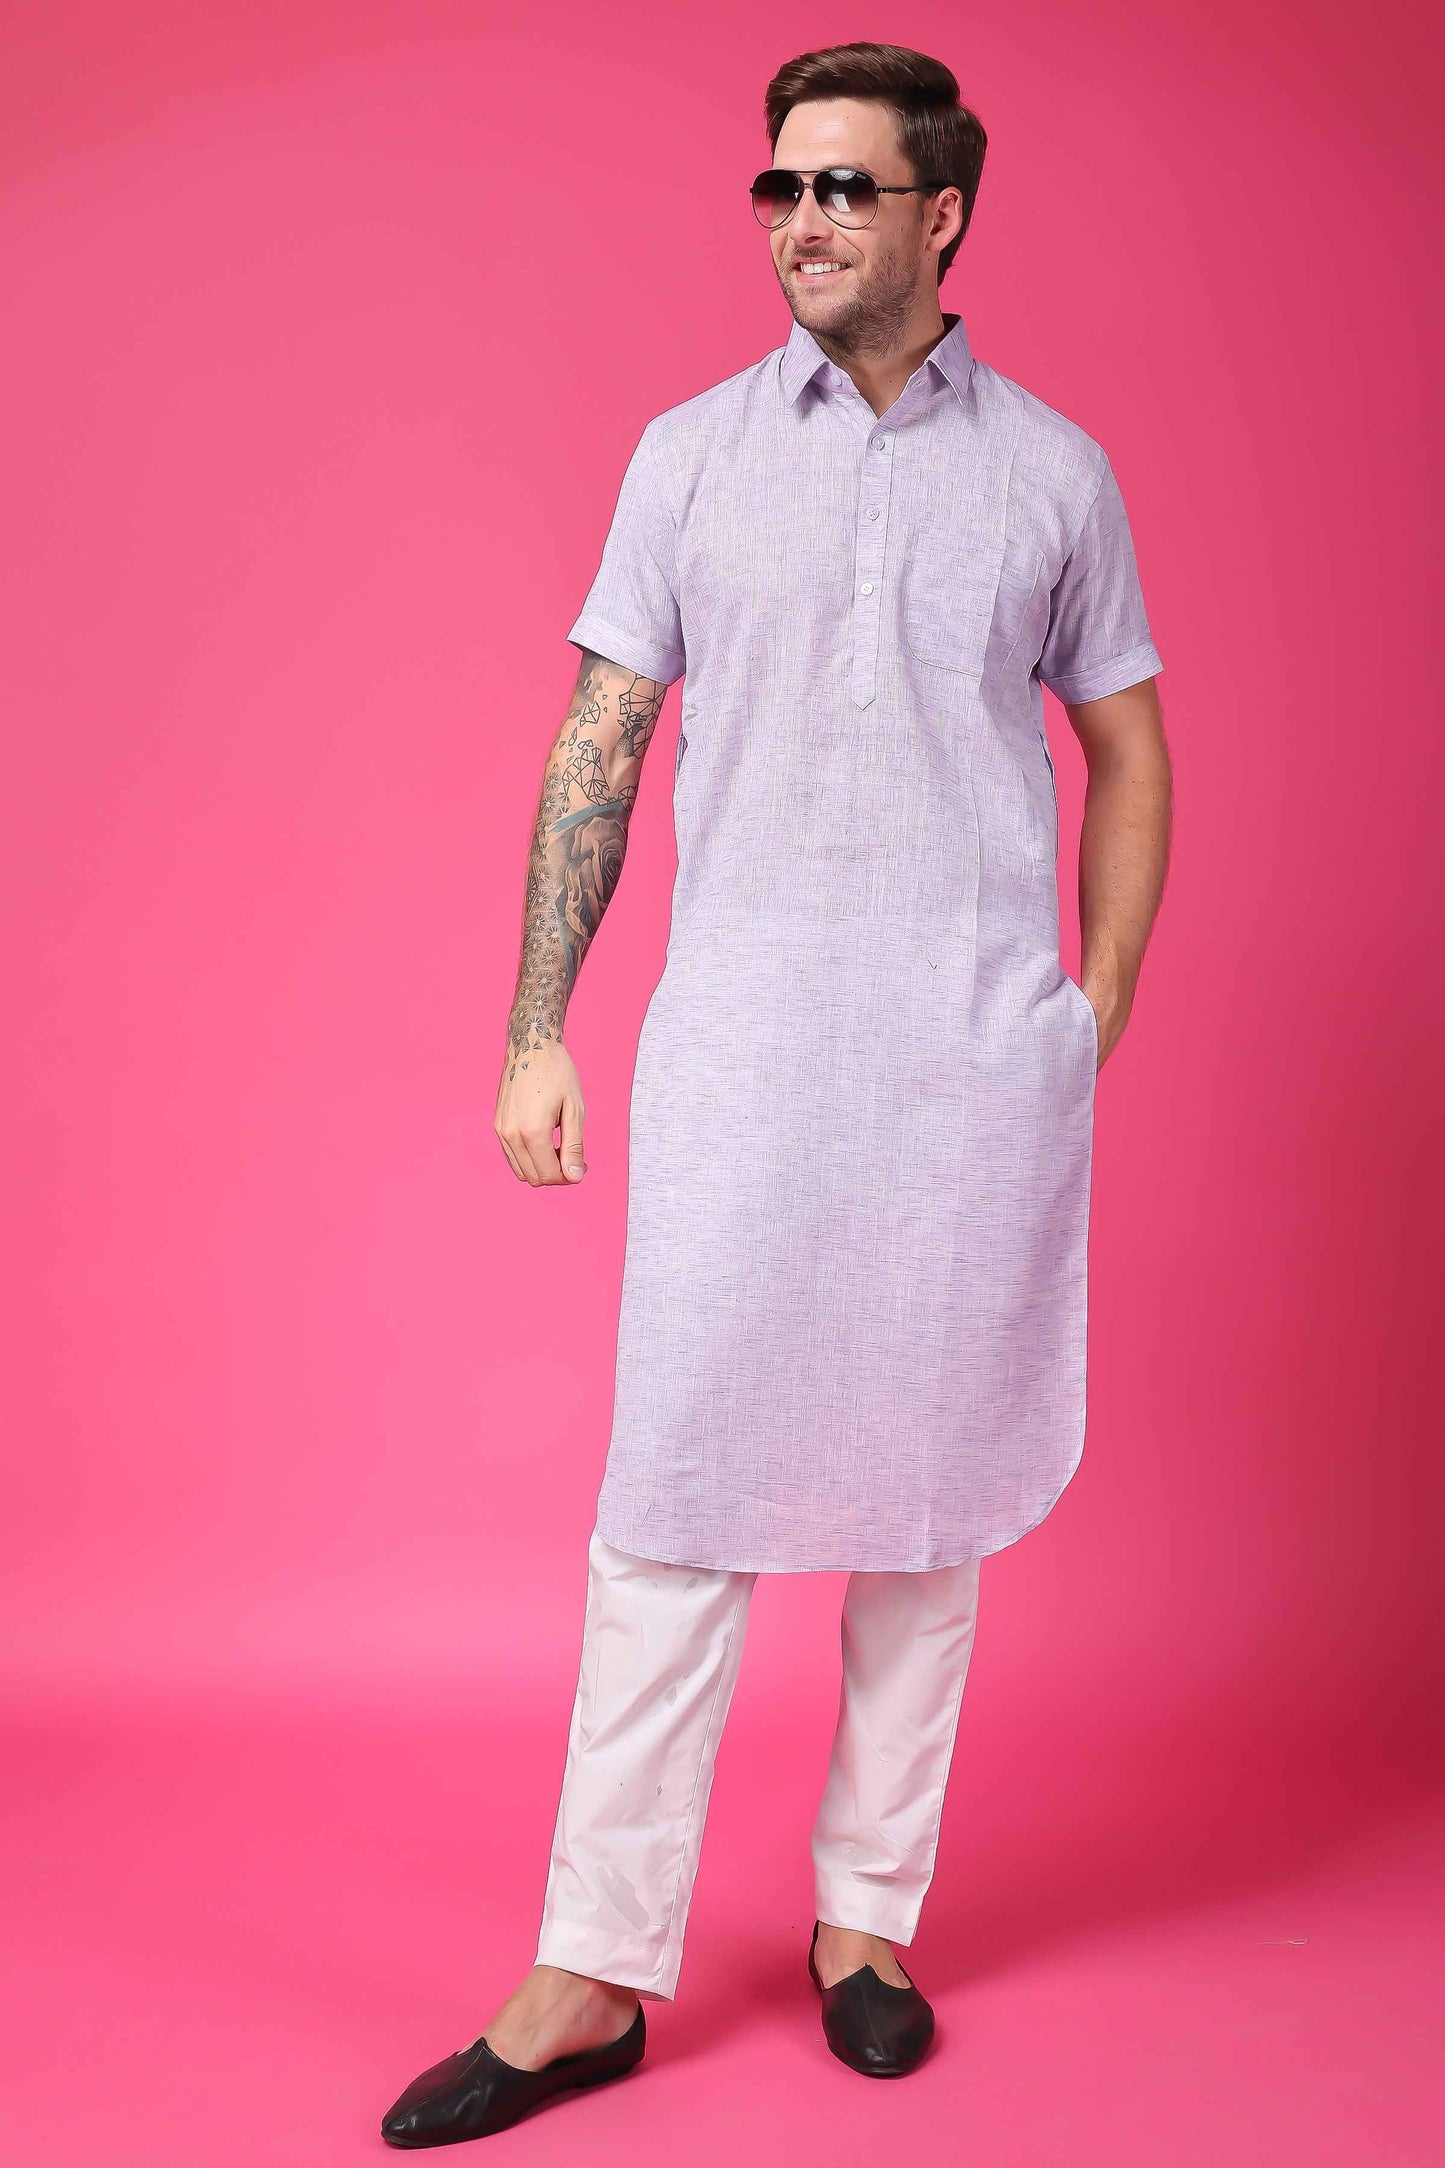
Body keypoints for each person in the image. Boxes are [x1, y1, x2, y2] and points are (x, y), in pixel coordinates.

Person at [382, 38, 1171, 2149]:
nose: (800, 220)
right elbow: (599, 739)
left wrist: (1085, 1009)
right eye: (777, 186)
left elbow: (1126, 745)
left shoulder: (1055, 477)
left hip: (968, 1071)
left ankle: (866, 1923)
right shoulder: (690, 458)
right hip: (740, 1056)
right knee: (674, 1496)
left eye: (842, 187)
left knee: (930, 1507)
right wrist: (537, 1024)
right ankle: (593, 1965)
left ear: (942, 214)